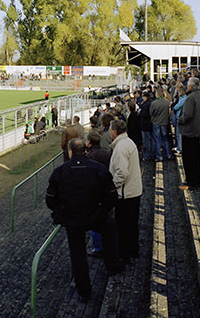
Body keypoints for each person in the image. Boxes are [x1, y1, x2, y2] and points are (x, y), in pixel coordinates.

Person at [45, 138, 123, 302]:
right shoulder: (98, 168)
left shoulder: (60, 171)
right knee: (110, 228)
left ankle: (84, 291)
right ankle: (113, 266)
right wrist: (101, 211)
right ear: (85, 150)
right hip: (95, 215)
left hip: (73, 220)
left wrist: (62, 212)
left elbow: (50, 199)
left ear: (70, 151)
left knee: (77, 254)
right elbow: (111, 195)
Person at [108, 120, 141, 261]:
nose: (109, 132)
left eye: (110, 129)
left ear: (115, 132)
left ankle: (124, 254)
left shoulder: (121, 147)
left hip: (126, 193)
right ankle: (133, 250)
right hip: (133, 190)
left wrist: (112, 186)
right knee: (132, 224)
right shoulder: (128, 142)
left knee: (123, 226)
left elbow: (122, 173)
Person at [178, 77, 200, 190]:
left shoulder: (191, 98)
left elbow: (187, 115)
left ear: (191, 86)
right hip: (197, 129)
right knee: (195, 158)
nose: (186, 86)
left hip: (189, 131)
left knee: (188, 158)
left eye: (188, 84)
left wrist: (179, 120)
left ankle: (191, 181)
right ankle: (196, 180)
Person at [150, 89, 171, 162]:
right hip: (164, 122)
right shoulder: (167, 102)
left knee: (157, 140)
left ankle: (159, 156)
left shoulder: (154, 103)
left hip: (156, 122)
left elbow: (151, 113)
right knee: (165, 139)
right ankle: (168, 154)